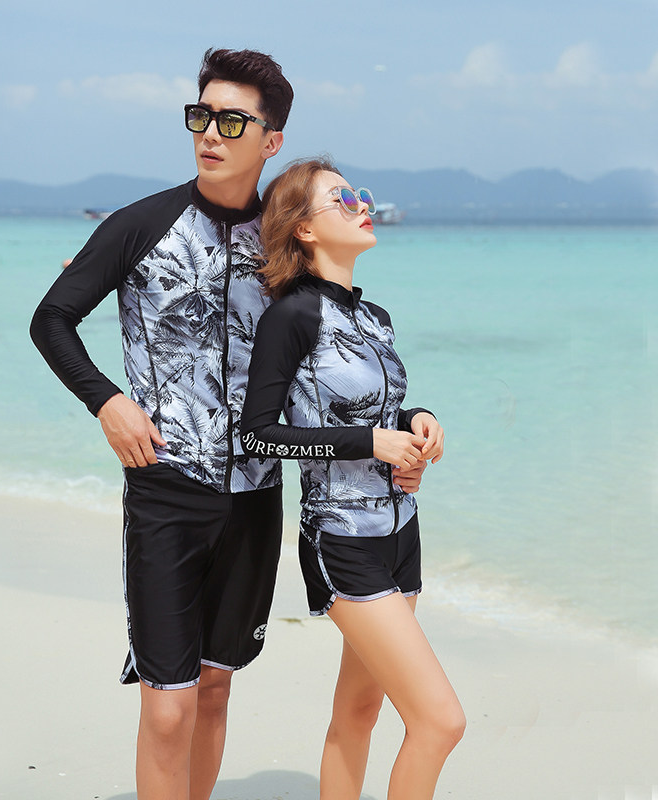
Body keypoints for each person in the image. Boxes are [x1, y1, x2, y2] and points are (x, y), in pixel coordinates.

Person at [30, 48, 294, 800]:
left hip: (256, 498)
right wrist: (107, 402)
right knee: (169, 706)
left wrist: (401, 422)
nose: (210, 132)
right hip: (166, 493)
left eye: (232, 121)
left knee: (215, 688)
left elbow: (327, 356)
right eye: (200, 116)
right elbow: (52, 319)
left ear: (270, 140)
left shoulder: (285, 242)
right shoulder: (141, 224)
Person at [240, 158, 465, 800]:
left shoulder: (375, 318)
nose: (363, 204)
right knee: (441, 721)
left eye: (360, 194)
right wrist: (370, 442)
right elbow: (258, 434)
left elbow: (377, 407)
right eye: (342, 199)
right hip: (342, 541)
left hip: (402, 535)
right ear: (304, 229)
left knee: (358, 713)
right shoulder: (291, 316)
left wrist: (416, 422)